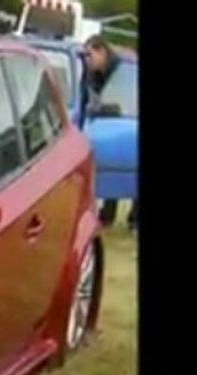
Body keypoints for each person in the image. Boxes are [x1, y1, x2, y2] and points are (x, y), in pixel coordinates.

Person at [83, 35, 136, 232]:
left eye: (90, 55)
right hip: (113, 125)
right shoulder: (94, 73)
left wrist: (102, 109)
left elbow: (119, 102)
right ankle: (108, 215)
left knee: (131, 167)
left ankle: (134, 219)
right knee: (111, 162)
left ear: (102, 52)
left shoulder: (121, 70)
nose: (87, 60)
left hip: (129, 121)